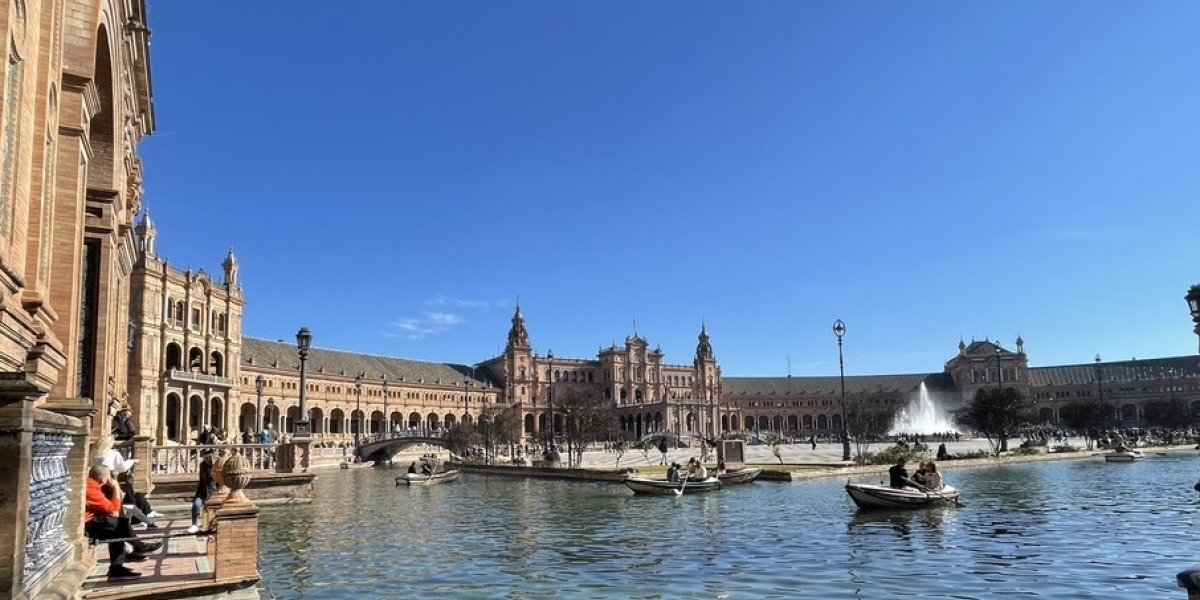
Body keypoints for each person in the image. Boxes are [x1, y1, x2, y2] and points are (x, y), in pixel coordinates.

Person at [85, 464, 162, 580]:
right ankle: (138, 547)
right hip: (89, 525)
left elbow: (115, 512)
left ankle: (117, 568)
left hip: (94, 521)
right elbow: (113, 511)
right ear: (103, 479)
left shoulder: (94, 485)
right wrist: (116, 488)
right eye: (109, 478)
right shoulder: (91, 489)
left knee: (118, 527)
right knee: (120, 525)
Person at [188, 450, 217, 534]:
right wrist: (196, 495)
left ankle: (212, 525)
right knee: (196, 504)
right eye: (205, 457)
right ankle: (194, 525)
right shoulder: (202, 465)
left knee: (212, 511)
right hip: (203, 492)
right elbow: (201, 481)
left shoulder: (217, 466)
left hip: (214, 493)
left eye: (209, 457)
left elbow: (219, 483)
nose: (207, 459)